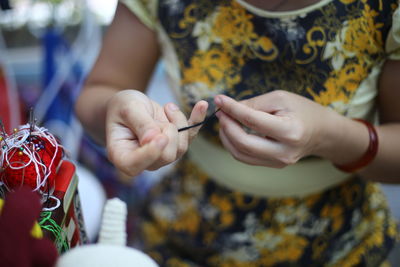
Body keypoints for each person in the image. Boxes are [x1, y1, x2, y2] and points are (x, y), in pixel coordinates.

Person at [75, 0, 400, 265]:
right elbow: (101, 90)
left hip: (341, 246)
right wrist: (119, 110)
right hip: (183, 237)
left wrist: (330, 135)